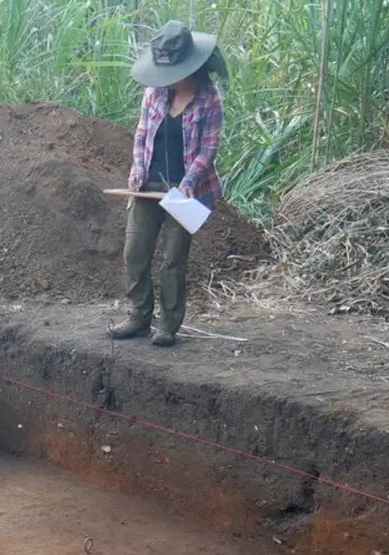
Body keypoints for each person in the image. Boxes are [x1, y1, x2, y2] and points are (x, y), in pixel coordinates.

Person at [108, 20, 227, 347]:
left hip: (187, 191)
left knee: (173, 260)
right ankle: (139, 316)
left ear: (189, 66)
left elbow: (208, 150)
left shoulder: (209, 99)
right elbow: (141, 135)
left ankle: (168, 324)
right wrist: (137, 168)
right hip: (148, 185)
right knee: (135, 252)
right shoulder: (154, 94)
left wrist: (188, 183)